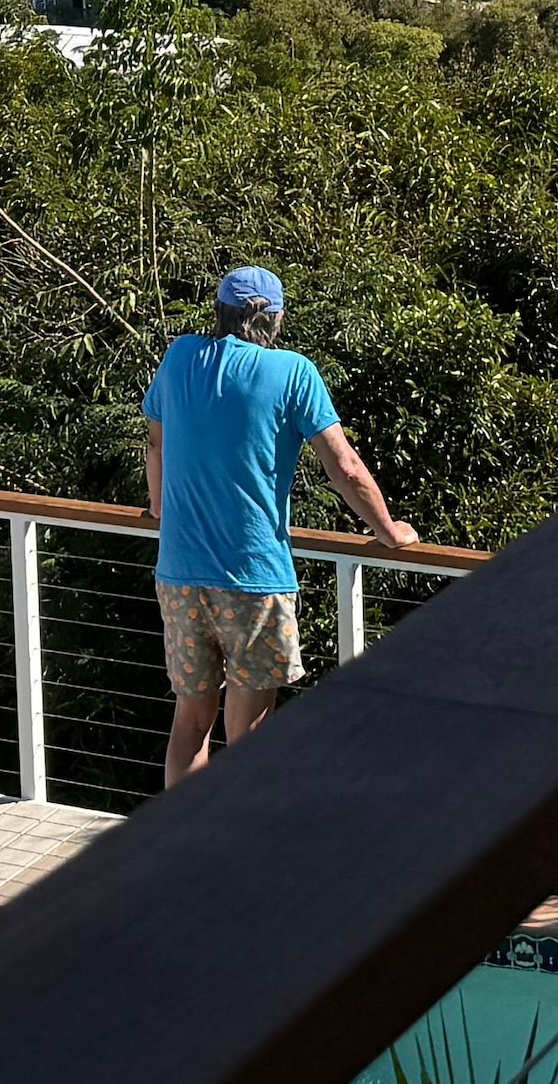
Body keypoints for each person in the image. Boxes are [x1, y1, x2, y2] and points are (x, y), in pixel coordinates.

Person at [142, 264, 419, 783]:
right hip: (253, 579)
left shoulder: (180, 358)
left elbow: (156, 442)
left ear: (220, 314)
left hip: (179, 572)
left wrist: (160, 508)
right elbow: (346, 467)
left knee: (190, 722)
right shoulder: (292, 372)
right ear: (276, 319)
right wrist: (390, 531)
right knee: (248, 734)